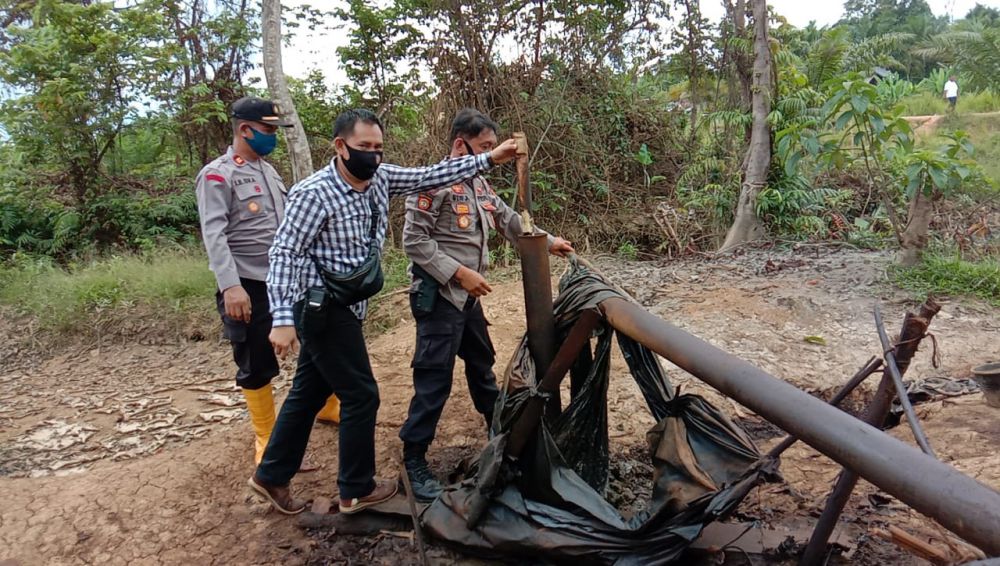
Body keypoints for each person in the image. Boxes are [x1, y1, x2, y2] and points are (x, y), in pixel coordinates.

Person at [247, 108, 520, 515]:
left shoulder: (380, 179)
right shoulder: (313, 193)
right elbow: (284, 252)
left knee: (309, 392)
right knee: (361, 396)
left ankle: (270, 476)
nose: (372, 155)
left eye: (378, 148)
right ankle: (355, 490)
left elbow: (430, 175)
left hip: (348, 303)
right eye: (363, 148)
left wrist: (489, 159)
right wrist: (283, 319)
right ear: (340, 147)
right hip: (320, 304)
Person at [399, 108, 574, 501]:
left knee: (482, 367)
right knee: (434, 380)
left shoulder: (477, 184)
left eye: (493, 148)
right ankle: (413, 459)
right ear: (460, 143)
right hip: (441, 296)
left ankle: (498, 437)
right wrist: (459, 273)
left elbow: (509, 220)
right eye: (485, 147)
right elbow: (413, 242)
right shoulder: (431, 183)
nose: (491, 155)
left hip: (467, 301)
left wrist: (548, 242)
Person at [195, 97, 341, 469]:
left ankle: (326, 405)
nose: (272, 137)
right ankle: (266, 436)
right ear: (245, 129)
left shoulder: (270, 172)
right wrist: (231, 286)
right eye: (268, 130)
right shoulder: (218, 175)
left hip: (288, 279)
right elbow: (214, 234)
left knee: (315, 340)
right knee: (256, 360)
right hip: (249, 283)